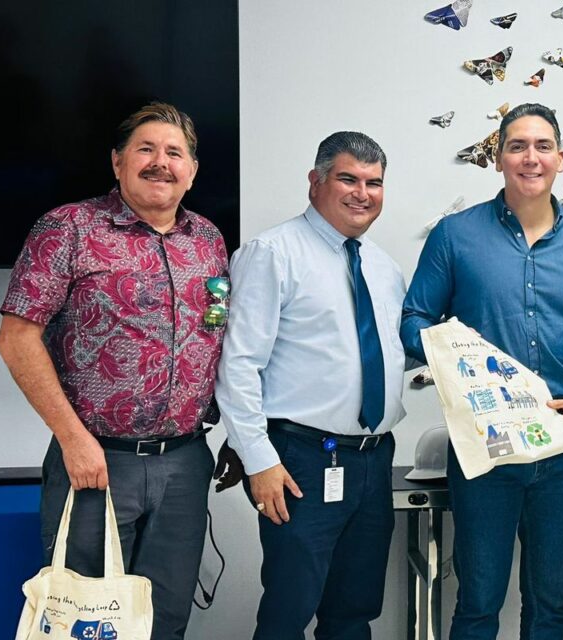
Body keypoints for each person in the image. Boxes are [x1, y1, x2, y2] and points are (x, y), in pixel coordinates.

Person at [400, 103, 563, 640]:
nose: (531, 158)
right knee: (478, 601)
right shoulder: (455, 236)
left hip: (561, 446)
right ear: (497, 156)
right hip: (483, 447)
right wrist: (454, 360)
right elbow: (414, 320)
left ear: (561, 158)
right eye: (517, 146)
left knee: (551, 604)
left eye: (543, 146)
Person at [0, 102, 225, 640]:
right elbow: (16, 337)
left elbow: (222, 342)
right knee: (84, 619)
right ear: (118, 161)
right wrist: (72, 439)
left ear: (191, 171)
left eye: (175, 153)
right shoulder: (69, 227)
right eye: (146, 149)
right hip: (96, 462)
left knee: (166, 619)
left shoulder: (209, 241)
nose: (160, 162)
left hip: (186, 464)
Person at [215, 131, 407, 639]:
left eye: (374, 182)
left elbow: (382, 354)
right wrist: (259, 460)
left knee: (354, 610)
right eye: (348, 178)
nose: (361, 193)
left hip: (371, 460)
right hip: (299, 461)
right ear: (315, 182)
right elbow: (237, 366)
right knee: (289, 610)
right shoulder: (272, 253)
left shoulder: (384, 269)